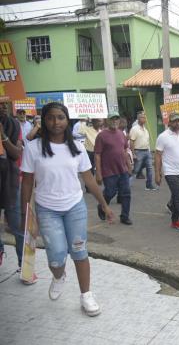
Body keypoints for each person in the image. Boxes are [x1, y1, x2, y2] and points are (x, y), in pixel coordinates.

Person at [20, 102, 114, 316]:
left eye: (60, 117)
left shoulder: (78, 147)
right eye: (51, 118)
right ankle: (59, 275)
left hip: (75, 207)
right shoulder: (33, 148)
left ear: (67, 120)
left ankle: (86, 295)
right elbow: (26, 182)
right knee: (56, 256)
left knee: (79, 252)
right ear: (44, 120)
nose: (56, 122)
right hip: (47, 209)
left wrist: (104, 204)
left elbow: (89, 180)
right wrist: (25, 211)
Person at [95, 113, 133, 225]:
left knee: (126, 193)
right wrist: (98, 173)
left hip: (123, 170)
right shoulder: (101, 136)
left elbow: (125, 151)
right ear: (107, 121)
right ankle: (102, 206)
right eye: (112, 119)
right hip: (108, 171)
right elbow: (97, 155)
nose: (115, 121)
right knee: (110, 192)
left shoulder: (121, 134)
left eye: (117, 119)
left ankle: (125, 216)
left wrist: (129, 166)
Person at [0, 102, 23, 271]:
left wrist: (3, 136)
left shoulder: (14, 124)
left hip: (10, 182)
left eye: (3, 104)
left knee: (18, 226)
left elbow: (15, 154)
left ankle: (24, 265)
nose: (2, 107)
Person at [129, 112, 157, 191]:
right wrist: (133, 153)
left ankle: (149, 185)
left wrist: (149, 151)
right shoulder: (135, 129)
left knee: (149, 168)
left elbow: (147, 142)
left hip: (147, 151)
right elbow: (131, 141)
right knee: (136, 170)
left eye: (145, 117)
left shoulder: (145, 129)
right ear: (138, 119)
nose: (144, 119)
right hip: (138, 151)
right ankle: (126, 184)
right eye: (142, 117)